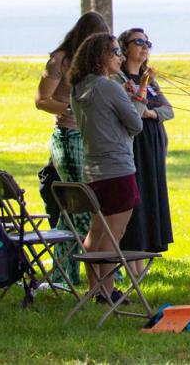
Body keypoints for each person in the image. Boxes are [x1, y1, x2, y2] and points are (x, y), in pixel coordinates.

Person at [68, 32, 143, 302]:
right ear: (100, 56)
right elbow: (136, 125)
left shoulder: (78, 89)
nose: (121, 56)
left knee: (96, 231)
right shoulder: (109, 87)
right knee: (114, 234)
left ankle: (93, 289)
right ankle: (107, 292)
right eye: (115, 51)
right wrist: (137, 99)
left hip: (92, 171)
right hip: (118, 169)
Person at [35, 11, 109, 285]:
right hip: (67, 135)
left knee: (86, 205)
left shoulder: (94, 64)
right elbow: (42, 99)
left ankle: (71, 270)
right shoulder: (61, 60)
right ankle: (68, 270)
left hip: (91, 137)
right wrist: (70, 108)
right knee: (78, 202)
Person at [116, 28, 174, 277]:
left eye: (147, 43)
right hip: (134, 144)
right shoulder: (120, 81)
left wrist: (152, 113)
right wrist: (147, 112)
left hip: (153, 144)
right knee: (135, 198)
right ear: (124, 47)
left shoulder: (148, 79)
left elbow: (168, 110)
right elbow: (132, 114)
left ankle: (144, 256)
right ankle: (131, 261)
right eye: (138, 42)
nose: (144, 46)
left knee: (151, 195)